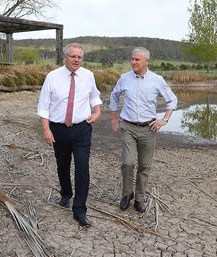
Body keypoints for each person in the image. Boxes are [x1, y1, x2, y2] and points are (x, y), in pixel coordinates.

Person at [37, 43, 102, 226]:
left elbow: (94, 96)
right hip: (59, 129)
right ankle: (66, 193)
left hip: (82, 129)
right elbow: (44, 105)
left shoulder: (88, 76)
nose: (76, 60)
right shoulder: (53, 77)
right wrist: (46, 129)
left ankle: (80, 210)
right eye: (73, 56)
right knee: (62, 165)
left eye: (79, 57)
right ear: (65, 57)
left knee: (82, 168)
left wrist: (97, 112)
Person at [110, 47, 177, 212]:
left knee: (144, 166)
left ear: (146, 61)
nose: (133, 62)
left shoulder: (157, 80)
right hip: (128, 127)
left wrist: (164, 120)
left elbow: (172, 100)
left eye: (137, 60)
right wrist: (114, 117)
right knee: (127, 163)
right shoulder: (124, 78)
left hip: (149, 129)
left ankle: (140, 198)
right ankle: (127, 194)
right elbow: (114, 95)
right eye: (132, 59)